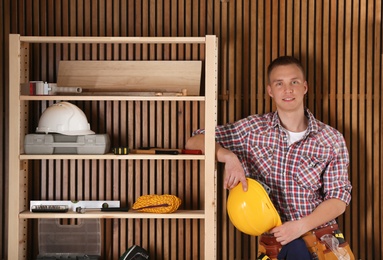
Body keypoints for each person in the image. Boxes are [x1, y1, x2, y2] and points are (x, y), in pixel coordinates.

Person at [185, 56, 354, 259]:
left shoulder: (331, 138)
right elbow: (194, 141)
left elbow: (339, 199)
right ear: (270, 91)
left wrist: (300, 226)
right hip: (275, 244)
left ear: (305, 87)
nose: (288, 89)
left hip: (323, 239)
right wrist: (228, 156)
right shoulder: (252, 130)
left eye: (294, 82)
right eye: (279, 83)